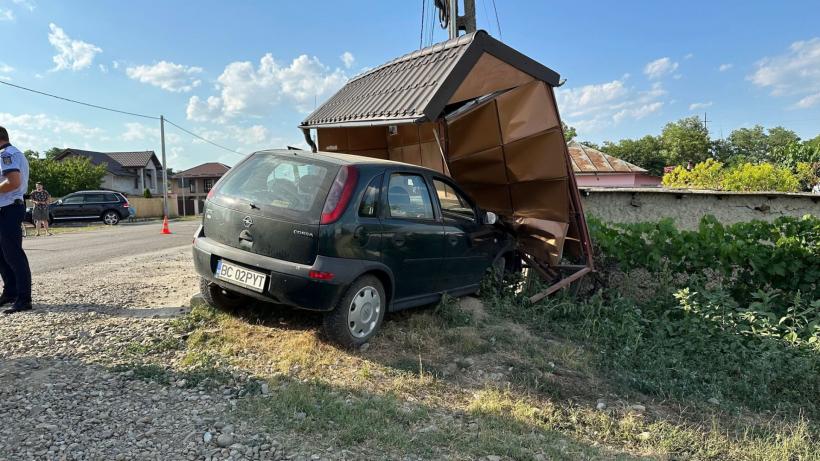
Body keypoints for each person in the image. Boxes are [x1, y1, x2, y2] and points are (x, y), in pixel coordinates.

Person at [0, 126, 32, 314]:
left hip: (9, 209)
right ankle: (10, 292)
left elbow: (13, 182)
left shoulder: (7, 154)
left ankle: (24, 298)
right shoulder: (7, 153)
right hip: (5, 208)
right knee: (2, 255)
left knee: (13, 255)